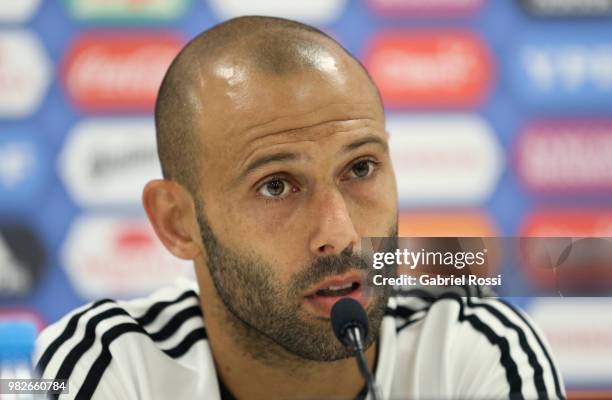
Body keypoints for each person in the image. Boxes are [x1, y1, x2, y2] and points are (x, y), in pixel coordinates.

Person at [35, 16, 565, 400]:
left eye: (359, 169)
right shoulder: (110, 364)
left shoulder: (476, 349)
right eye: (276, 186)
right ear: (178, 222)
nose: (340, 236)